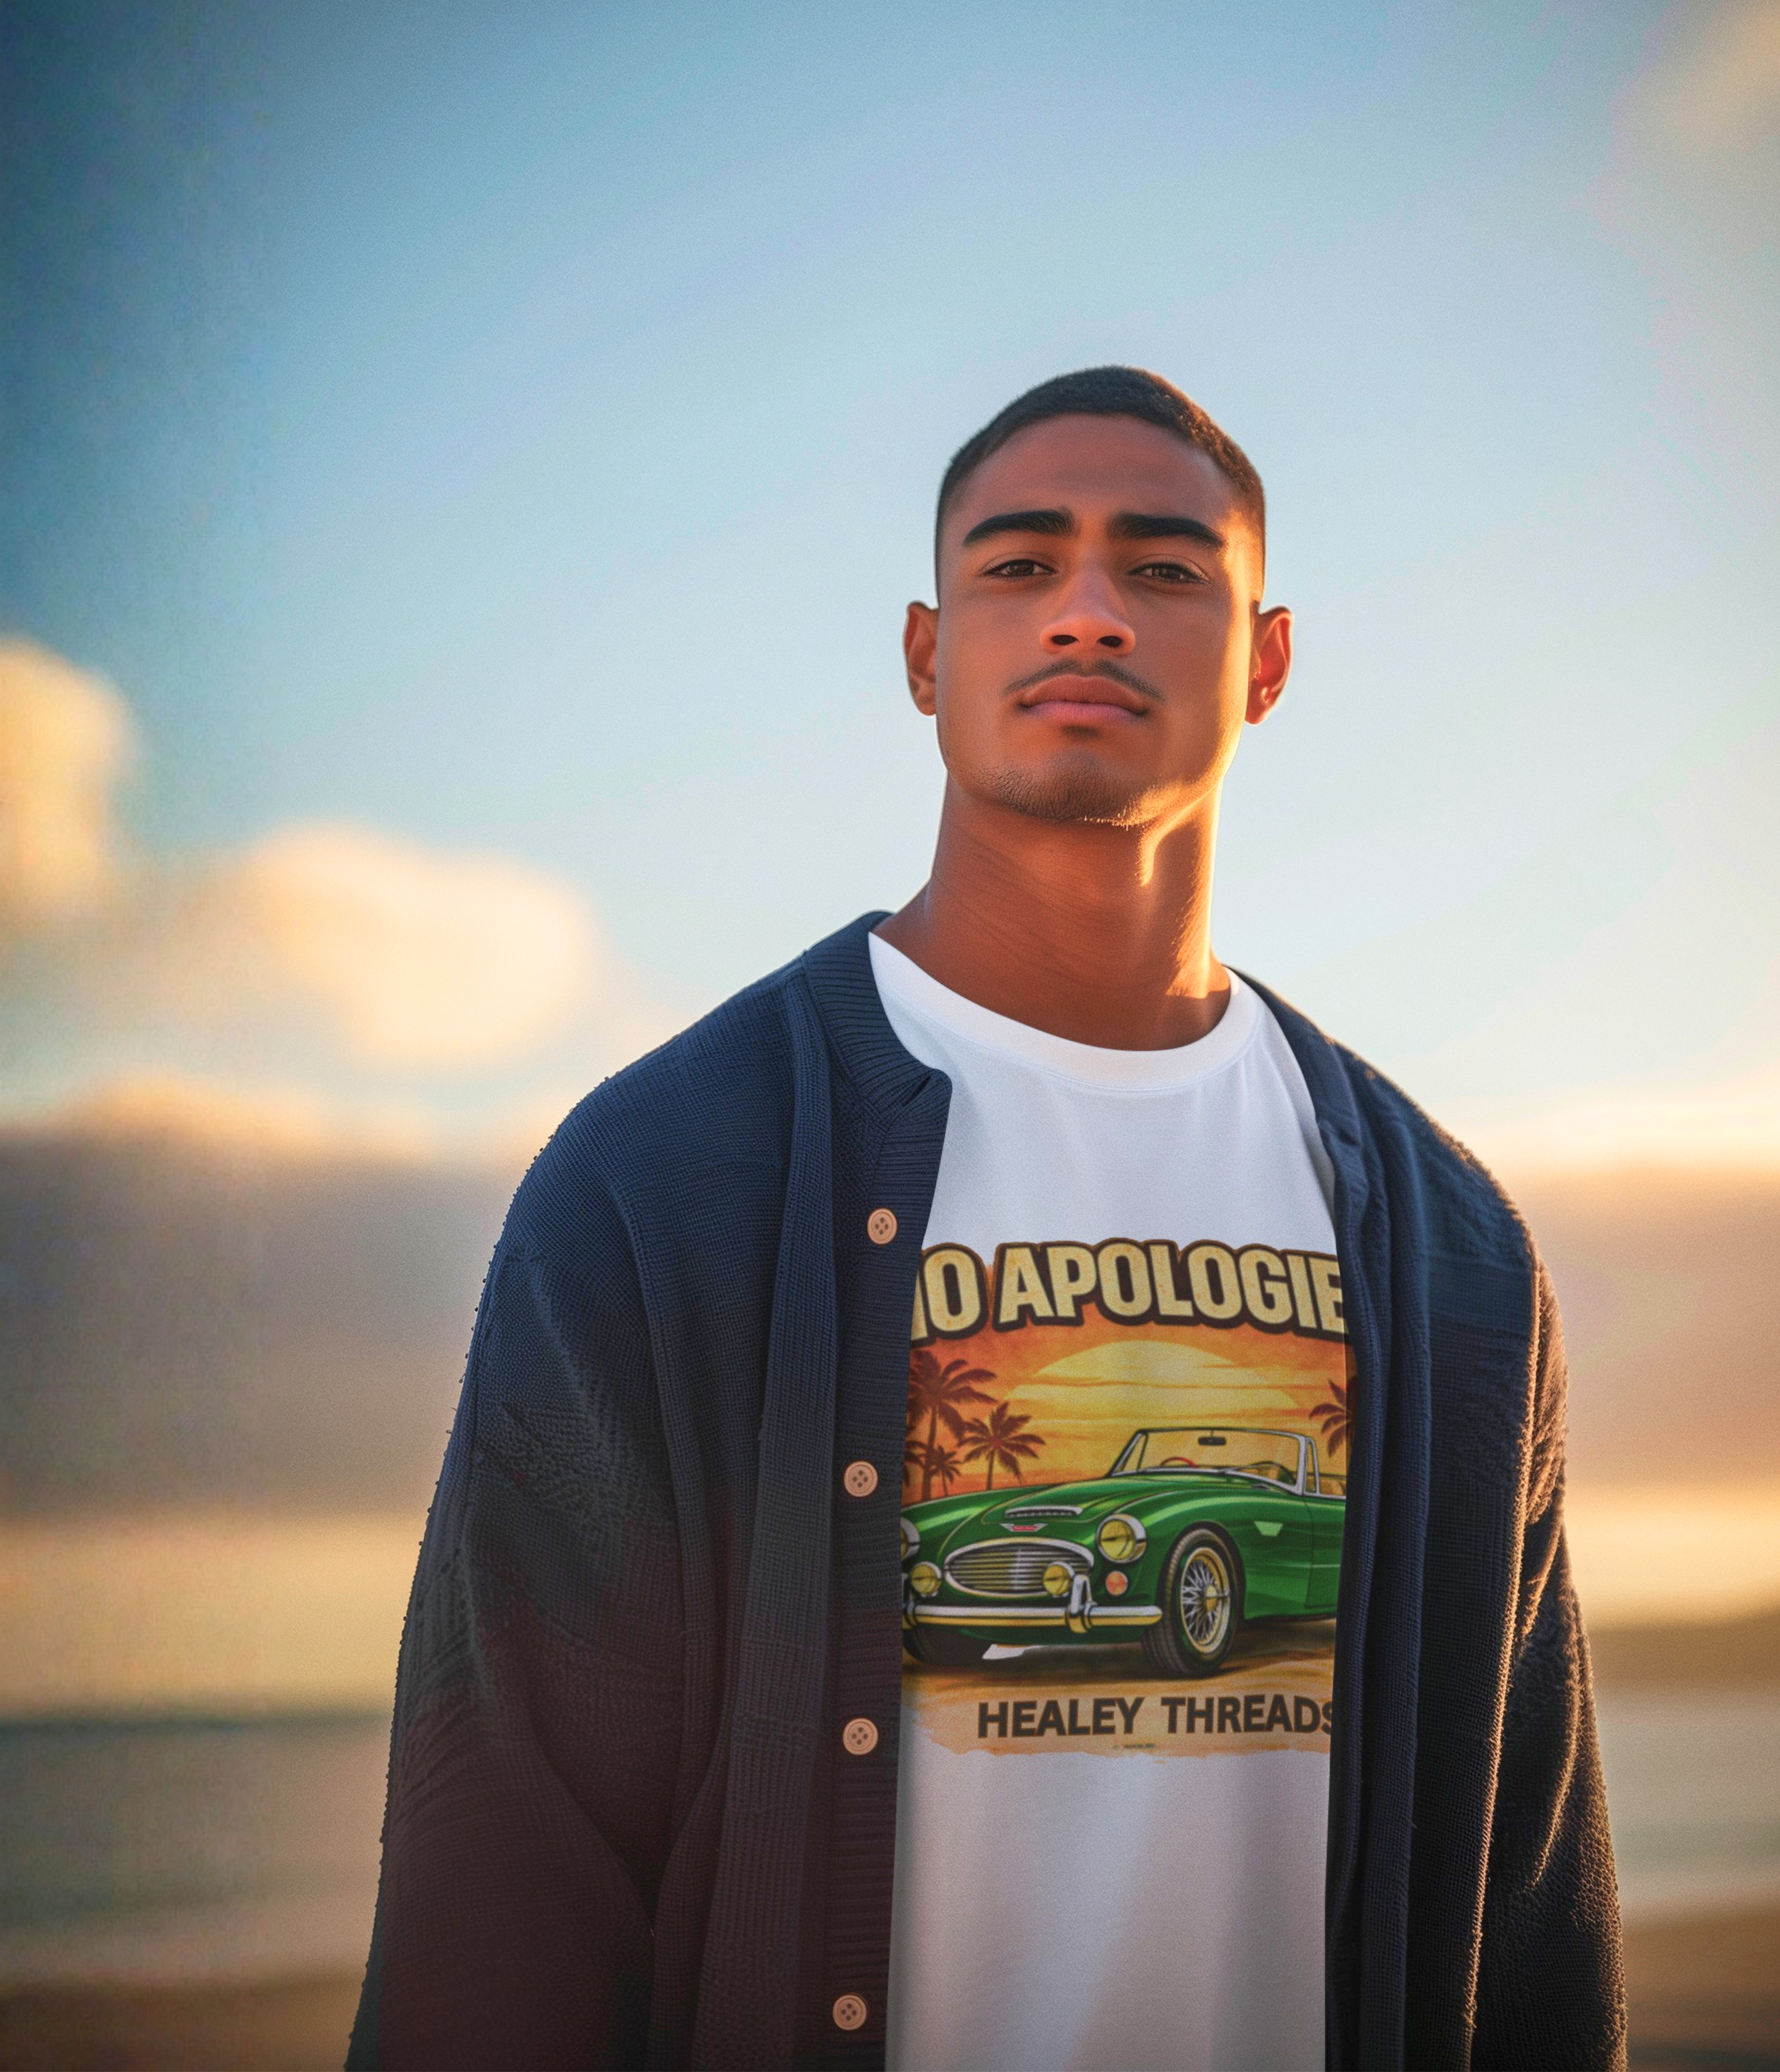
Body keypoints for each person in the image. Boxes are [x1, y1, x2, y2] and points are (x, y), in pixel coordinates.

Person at [348, 367, 1625, 2072]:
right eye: (1019, 566)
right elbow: (505, 1869)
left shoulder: (1450, 1248)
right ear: (925, 655)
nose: (1088, 610)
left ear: (1268, 661)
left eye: (1165, 569)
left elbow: (1525, 1896)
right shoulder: (665, 1178)